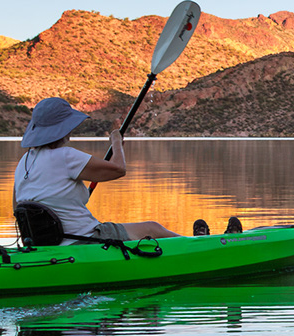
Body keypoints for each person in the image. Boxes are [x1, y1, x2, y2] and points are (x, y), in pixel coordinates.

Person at [14, 97, 182, 241]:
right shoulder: (65, 156)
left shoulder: (23, 162)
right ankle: (195, 246)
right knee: (152, 228)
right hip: (84, 238)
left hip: (46, 241)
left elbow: (18, 207)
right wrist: (116, 143)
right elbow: (118, 169)